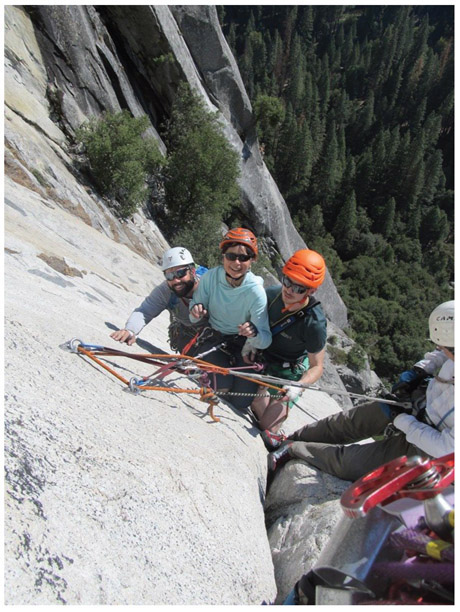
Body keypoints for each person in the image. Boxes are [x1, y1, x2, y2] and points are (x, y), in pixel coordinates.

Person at [266, 300, 455, 482]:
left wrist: (403, 421)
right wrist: (419, 370)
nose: (439, 349)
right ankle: (290, 438)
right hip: (417, 403)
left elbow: (446, 448)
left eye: (443, 347)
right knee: (350, 422)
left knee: (350, 463)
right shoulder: (452, 346)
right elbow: (440, 353)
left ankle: (293, 449)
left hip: (430, 448)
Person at [189, 228, 272, 411]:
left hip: (241, 345)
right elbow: (194, 311)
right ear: (223, 256)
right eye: (231, 256)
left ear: (251, 261)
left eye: (243, 257)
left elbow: (265, 339)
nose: (236, 262)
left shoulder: (256, 292)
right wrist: (195, 312)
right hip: (214, 337)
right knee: (222, 385)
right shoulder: (211, 278)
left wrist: (254, 334)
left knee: (241, 401)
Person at [252, 249, 327, 434]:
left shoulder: (314, 322)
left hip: (290, 372)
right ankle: (260, 395)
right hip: (263, 360)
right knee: (252, 401)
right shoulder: (271, 295)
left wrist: (298, 386)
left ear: (311, 290)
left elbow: (317, 366)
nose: (289, 290)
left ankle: (271, 405)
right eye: (287, 281)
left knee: (268, 428)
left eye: (299, 288)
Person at [110, 246, 207, 355]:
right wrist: (130, 330)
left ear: (193, 271)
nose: (176, 280)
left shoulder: (212, 285)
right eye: (169, 276)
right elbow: (144, 311)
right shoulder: (166, 291)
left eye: (180, 273)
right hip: (189, 333)